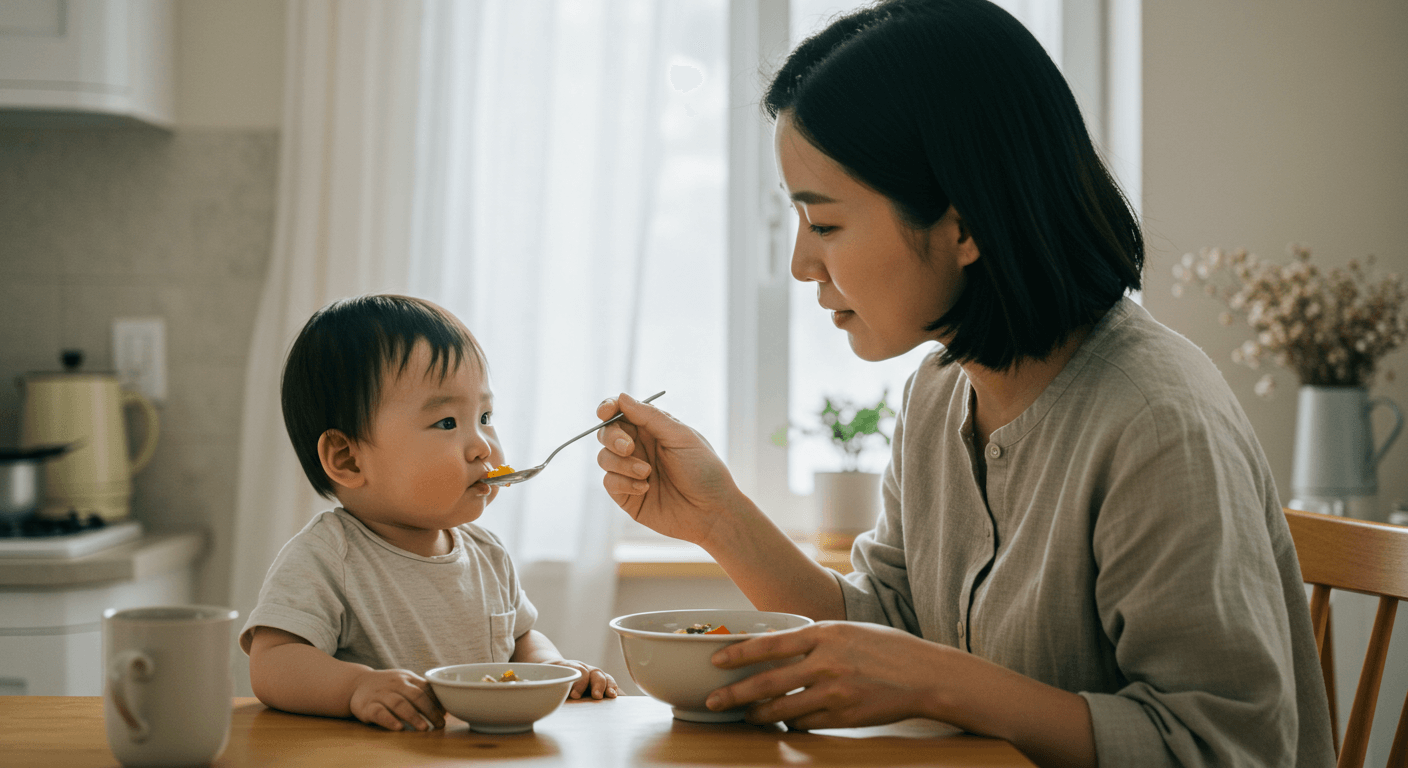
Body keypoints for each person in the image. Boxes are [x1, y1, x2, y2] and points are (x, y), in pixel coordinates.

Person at [595, 1, 1333, 766]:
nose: (801, 266)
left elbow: (1224, 747)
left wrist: (940, 685)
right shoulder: (939, 393)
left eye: (825, 224)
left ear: (964, 226)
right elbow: (884, 631)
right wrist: (719, 519)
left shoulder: (1156, 422)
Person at [242, 295, 619, 732]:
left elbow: (519, 641)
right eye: (446, 423)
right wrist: (356, 689)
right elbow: (272, 663)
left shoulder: (487, 553)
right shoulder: (328, 557)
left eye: (485, 415)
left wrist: (553, 669)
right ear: (347, 459)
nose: (483, 445)